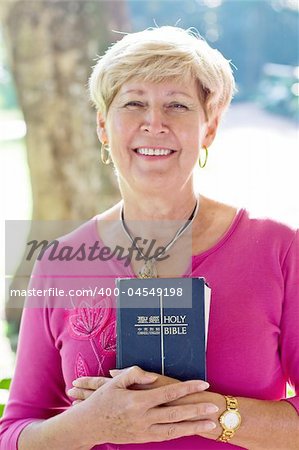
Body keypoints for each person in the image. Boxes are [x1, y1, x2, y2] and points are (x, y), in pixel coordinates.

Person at [0, 26, 298, 450]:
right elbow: (13, 432)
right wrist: (89, 425)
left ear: (208, 129)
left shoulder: (280, 250)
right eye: (133, 103)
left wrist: (199, 412)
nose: (153, 123)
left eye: (177, 105)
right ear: (104, 127)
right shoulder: (60, 261)